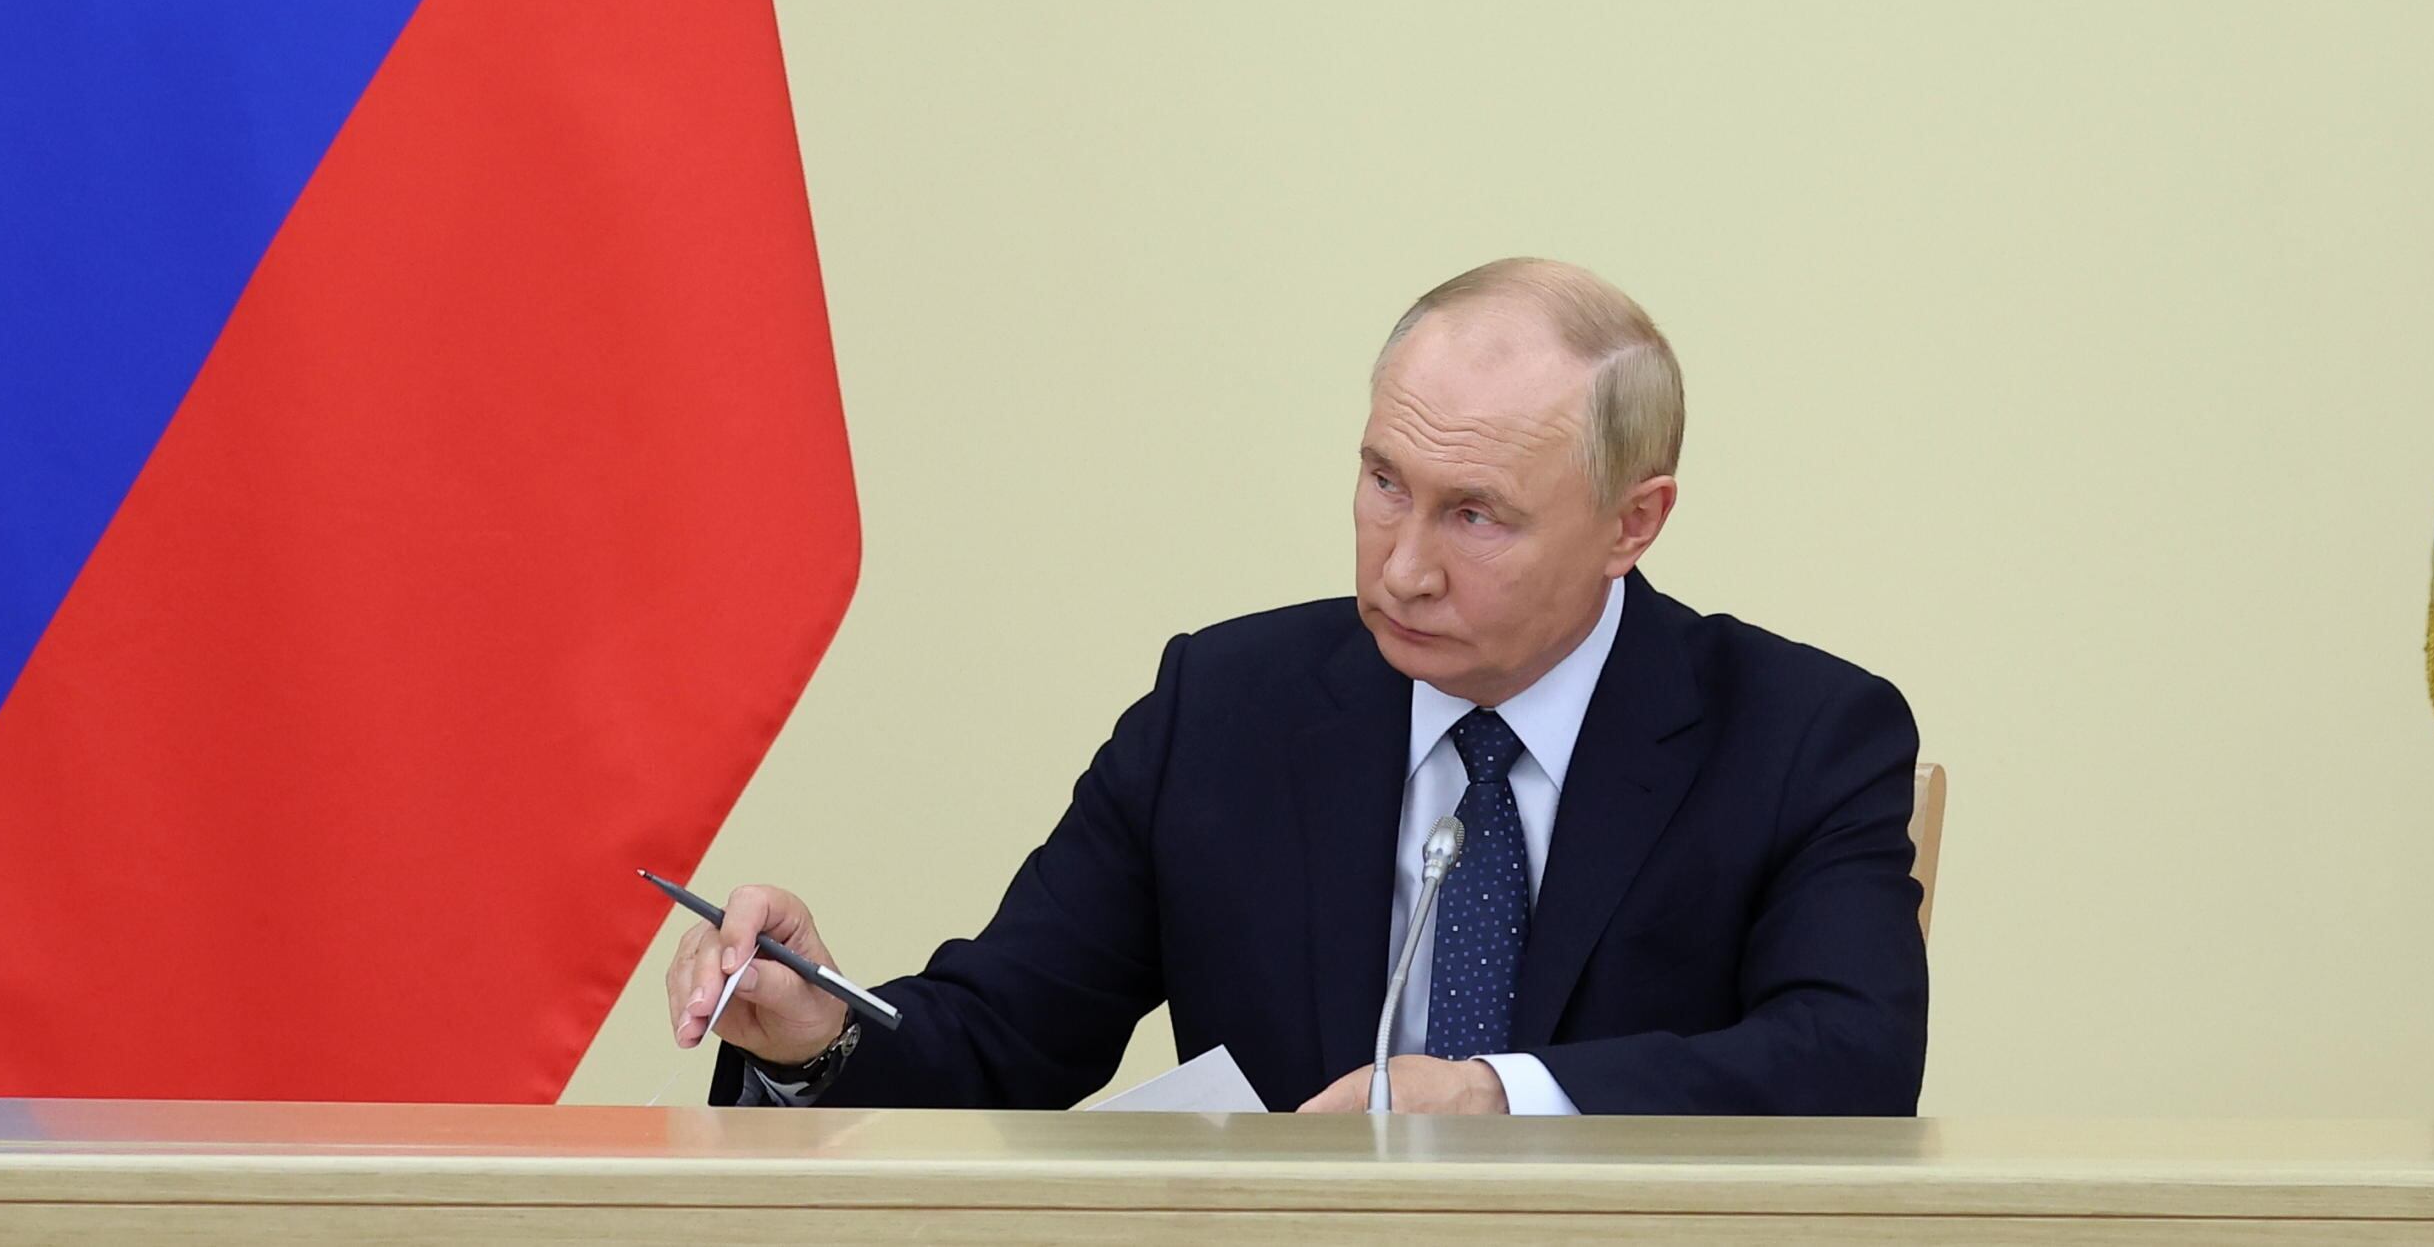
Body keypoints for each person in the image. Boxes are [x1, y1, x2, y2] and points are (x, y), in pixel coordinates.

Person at [668, 258, 1925, 1116]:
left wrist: (1496, 1096)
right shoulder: (1222, 708)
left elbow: (1851, 1058)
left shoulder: (1798, 734)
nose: (1405, 562)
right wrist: (818, 1025)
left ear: (1629, 522)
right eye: (1384, 480)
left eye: (1475, 513)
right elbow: (1005, 1035)